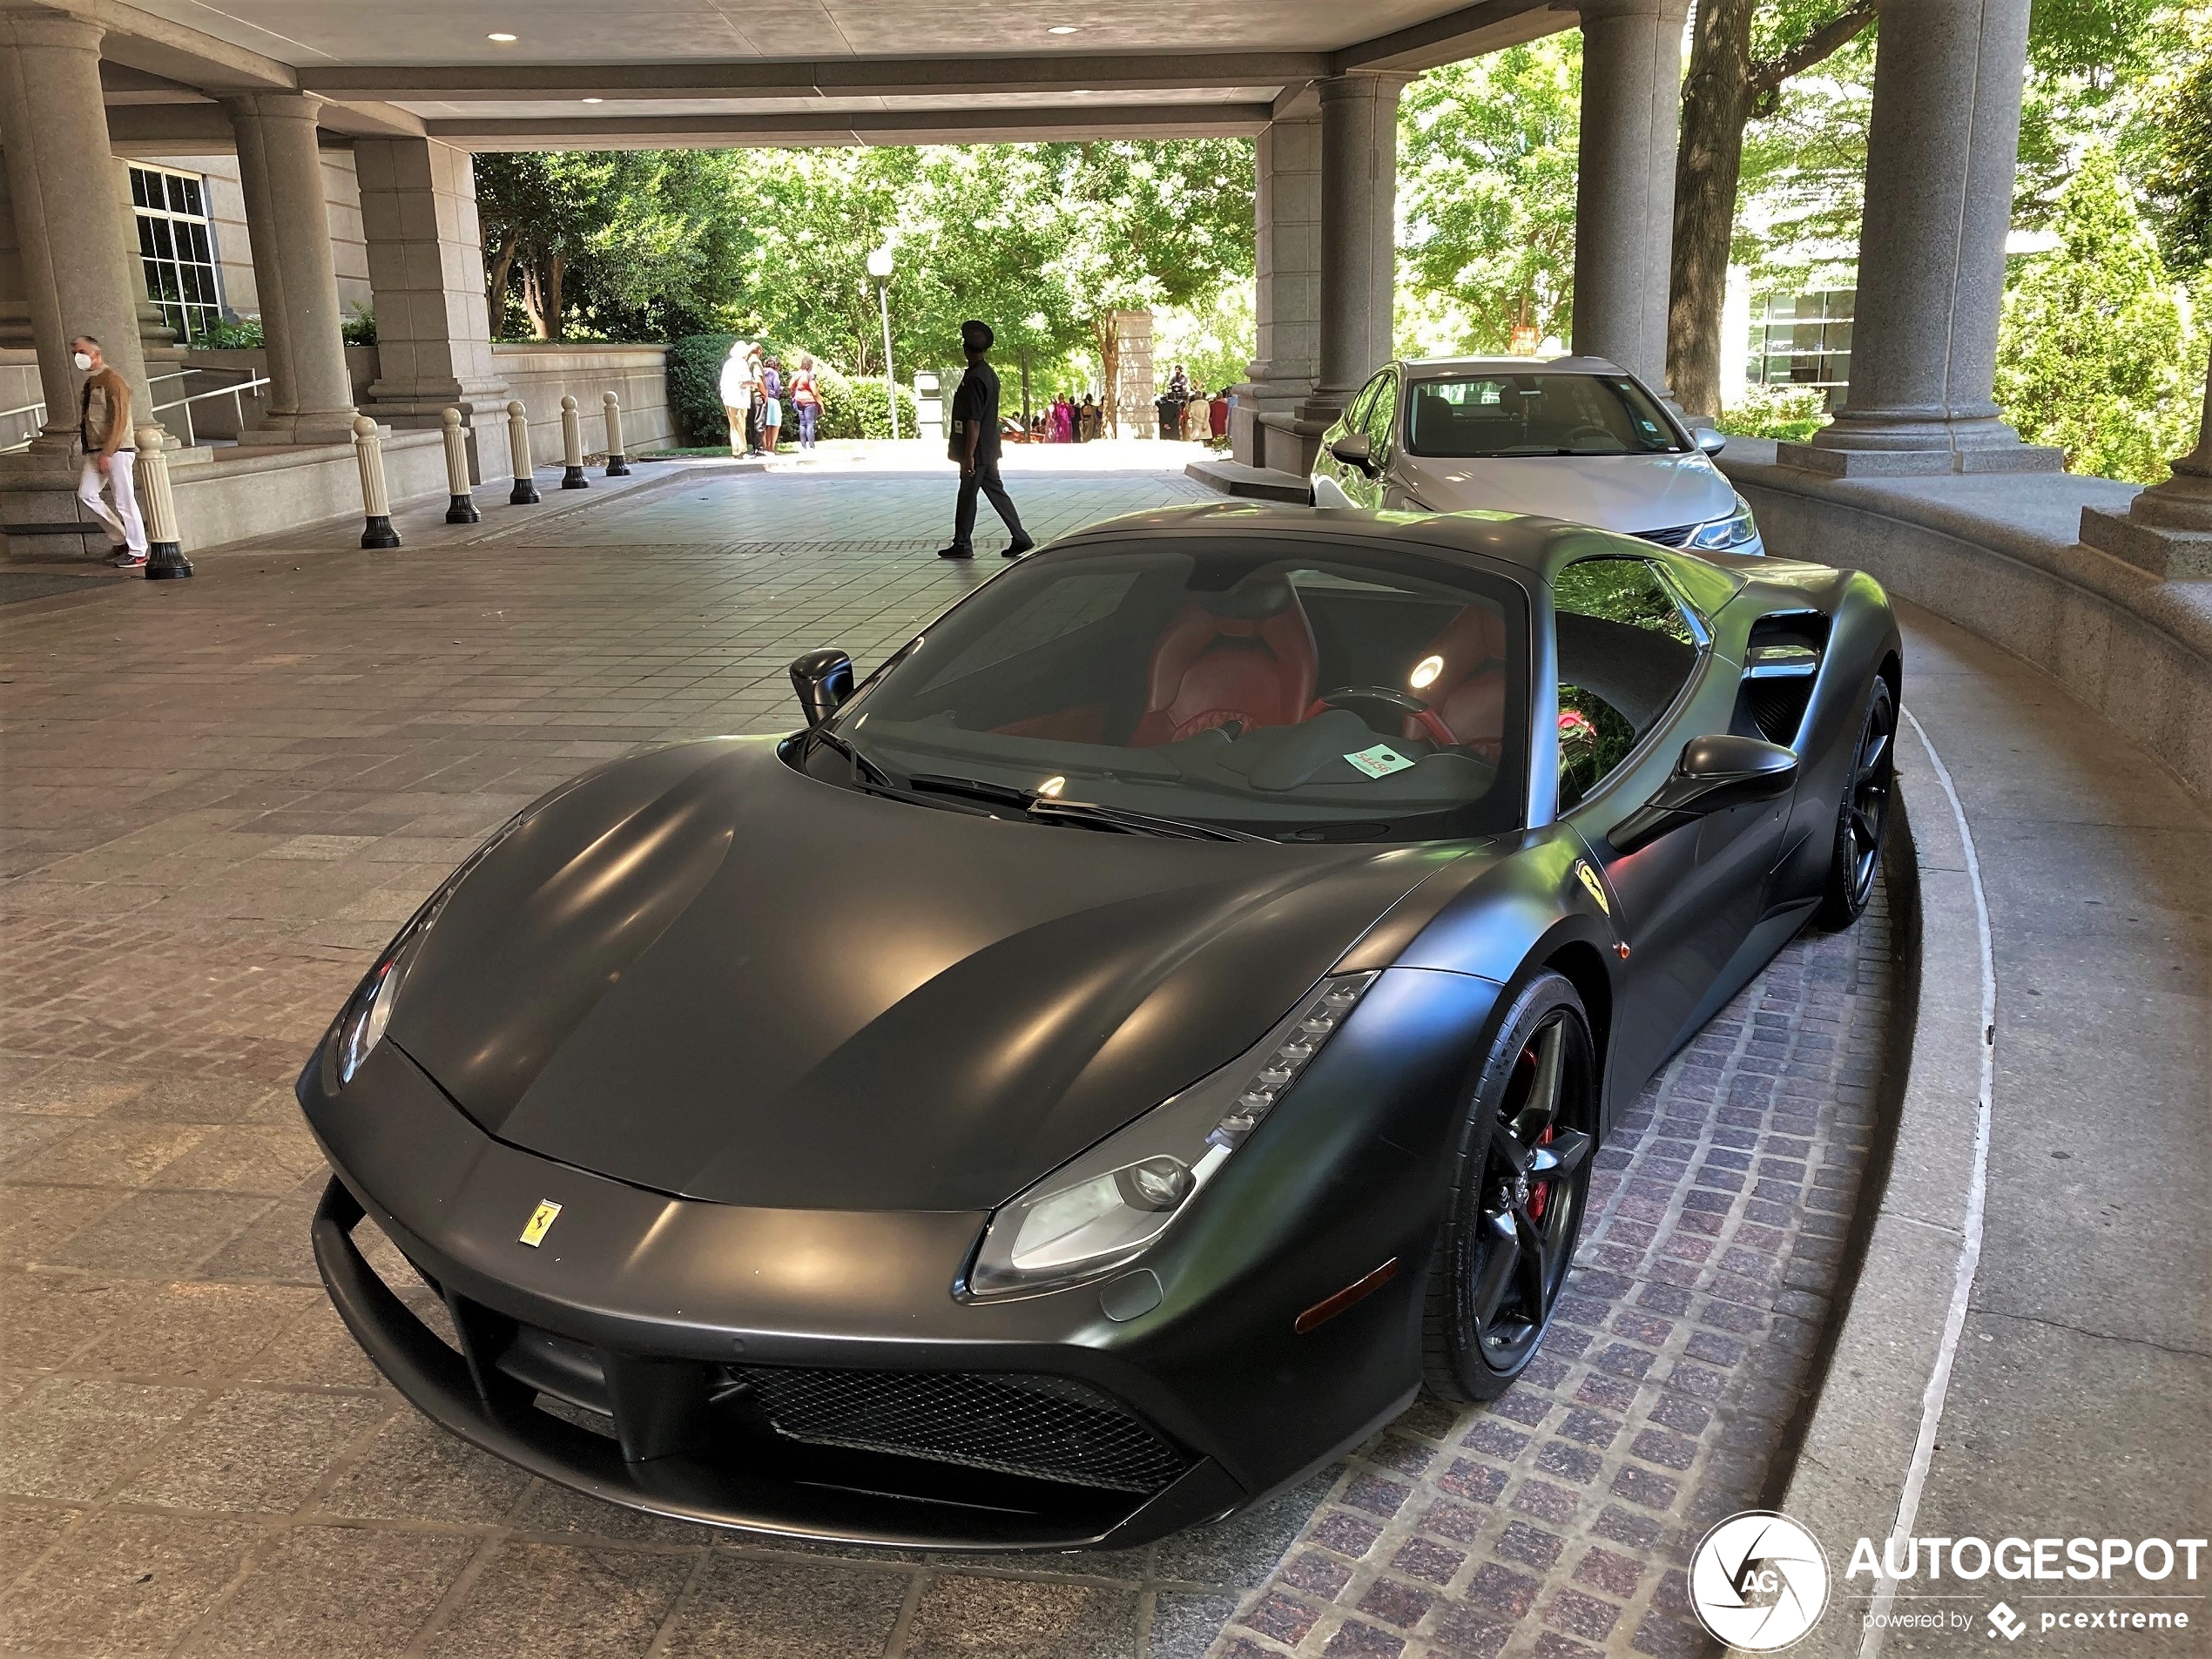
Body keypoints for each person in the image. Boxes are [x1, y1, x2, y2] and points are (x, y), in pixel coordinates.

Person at [938, 319, 1033, 561]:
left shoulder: (975, 378)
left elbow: (974, 421)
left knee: (967, 495)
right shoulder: (988, 374)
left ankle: (962, 544)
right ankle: (1020, 537)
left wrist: (968, 455)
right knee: (995, 491)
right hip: (989, 448)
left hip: (977, 450)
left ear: (966, 348)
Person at [71, 335, 147, 569]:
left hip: (116, 449)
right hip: (97, 449)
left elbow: (119, 419)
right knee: (86, 494)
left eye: (82, 351)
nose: (78, 357)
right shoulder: (91, 382)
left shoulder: (113, 380)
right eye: (76, 352)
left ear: (96, 353)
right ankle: (122, 539)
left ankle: (138, 550)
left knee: (124, 499)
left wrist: (109, 451)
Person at [718, 341, 752, 457]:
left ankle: (736, 450)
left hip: (728, 398)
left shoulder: (728, 363)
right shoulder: (742, 363)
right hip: (739, 399)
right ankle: (741, 450)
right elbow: (743, 382)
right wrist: (754, 383)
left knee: (734, 426)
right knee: (740, 425)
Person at [790, 353, 820, 449]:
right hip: (810, 401)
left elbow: (790, 386)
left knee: (802, 423)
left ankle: (803, 445)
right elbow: (814, 392)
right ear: (810, 365)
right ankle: (811, 445)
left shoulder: (797, 375)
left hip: (799, 401)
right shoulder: (809, 376)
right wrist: (820, 402)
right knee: (810, 424)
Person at [760, 357, 784, 455]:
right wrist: (781, 390)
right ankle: (771, 447)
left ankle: (764, 447)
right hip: (773, 399)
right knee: (776, 424)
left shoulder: (762, 371)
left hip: (762, 398)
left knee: (765, 425)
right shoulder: (774, 373)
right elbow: (777, 387)